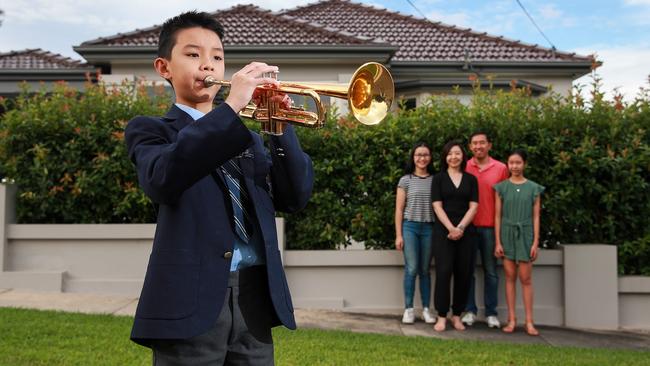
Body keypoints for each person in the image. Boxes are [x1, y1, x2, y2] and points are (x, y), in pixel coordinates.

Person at [124, 11, 314, 365]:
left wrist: (280, 130)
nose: (207, 66)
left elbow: (295, 196)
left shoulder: (251, 140)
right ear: (164, 67)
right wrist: (232, 108)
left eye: (217, 56)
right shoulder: (151, 131)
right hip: (188, 297)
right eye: (193, 55)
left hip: (255, 296)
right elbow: (163, 179)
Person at [494, 149, 544, 336]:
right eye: (511, 163)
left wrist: (535, 242)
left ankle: (529, 321)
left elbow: (536, 217)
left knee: (526, 278)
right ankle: (511, 319)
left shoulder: (534, 188)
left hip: (526, 234)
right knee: (509, 277)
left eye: (518, 163)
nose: (514, 166)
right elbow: (497, 216)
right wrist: (498, 241)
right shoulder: (501, 188)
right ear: (507, 164)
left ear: (524, 164)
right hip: (506, 233)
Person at [462, 132, 508, 328]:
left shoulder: (501, 168)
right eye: (475, 143)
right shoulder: (464, 166)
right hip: (468, 228)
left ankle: (491, 313)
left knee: (491, 272)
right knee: (467, 271)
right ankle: (470, 311)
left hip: (490, 228)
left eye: (482, 143)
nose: (478, 146)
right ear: (470, 147)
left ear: (489, 145)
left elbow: (504, 201)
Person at [431, 140, 478, 331]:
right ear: (445, 157)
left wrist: (460, 228)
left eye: (457, 153)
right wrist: (451, 228)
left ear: (463, 156)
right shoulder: (439, 179)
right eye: (450, 154)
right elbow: (436, 205)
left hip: (466, 232)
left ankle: (456, 315)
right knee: (443, 273)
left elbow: (474, 206)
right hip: (443, 232)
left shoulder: (470, 179)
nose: (453, 157)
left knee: (464, 274)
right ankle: (442, 316)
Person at [394, 142, 436, 324]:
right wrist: (399, 235)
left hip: (429, 228)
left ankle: (426, 309)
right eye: (418, 155)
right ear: (413, 157)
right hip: (410, 228)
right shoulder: (406, 180)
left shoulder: (436, 180)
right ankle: (409, 309)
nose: (422, 158)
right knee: (411, 269)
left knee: (425, 270)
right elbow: (399, 209)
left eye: (425, 155)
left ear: (430, 157)